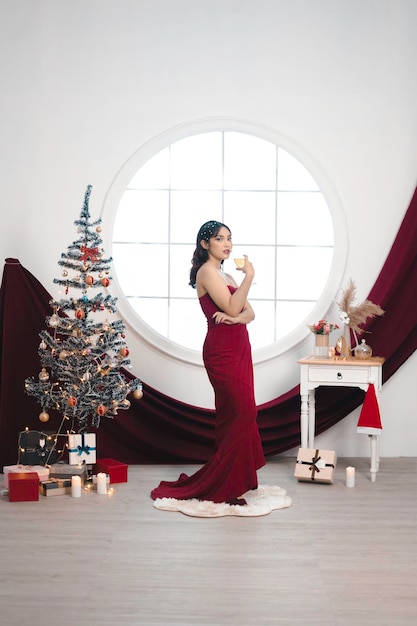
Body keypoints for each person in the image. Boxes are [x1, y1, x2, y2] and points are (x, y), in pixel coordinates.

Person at [151, 220, 265, 505]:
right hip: (222, 350)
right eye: (219, 239)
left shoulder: (226, 276)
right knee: (241, 412)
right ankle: (223, 483)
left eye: (229, 238)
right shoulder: (207, 272)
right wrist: (249, 278)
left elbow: (249, 313)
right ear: (205, 244)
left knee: (237, 414)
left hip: (239, 346)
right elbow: (232, 305)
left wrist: (236, 317)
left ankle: (238, 480)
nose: (227, 243)